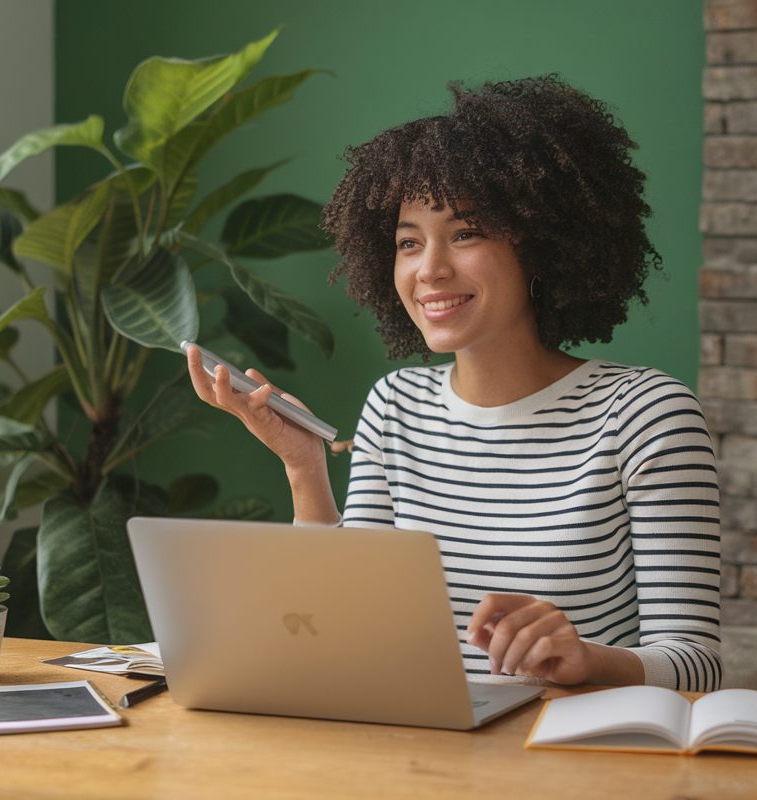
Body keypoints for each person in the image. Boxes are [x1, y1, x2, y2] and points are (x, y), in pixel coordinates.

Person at [186, 75, 721, 692]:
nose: (430, 270)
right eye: (408, 243)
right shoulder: (394, 405)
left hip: (566, 760)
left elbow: (696, 661)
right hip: (414, 749)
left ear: (541, 244)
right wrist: (304, 468)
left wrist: (588, 660)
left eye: (466, 233)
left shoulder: (647, 415)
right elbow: (347, 619)